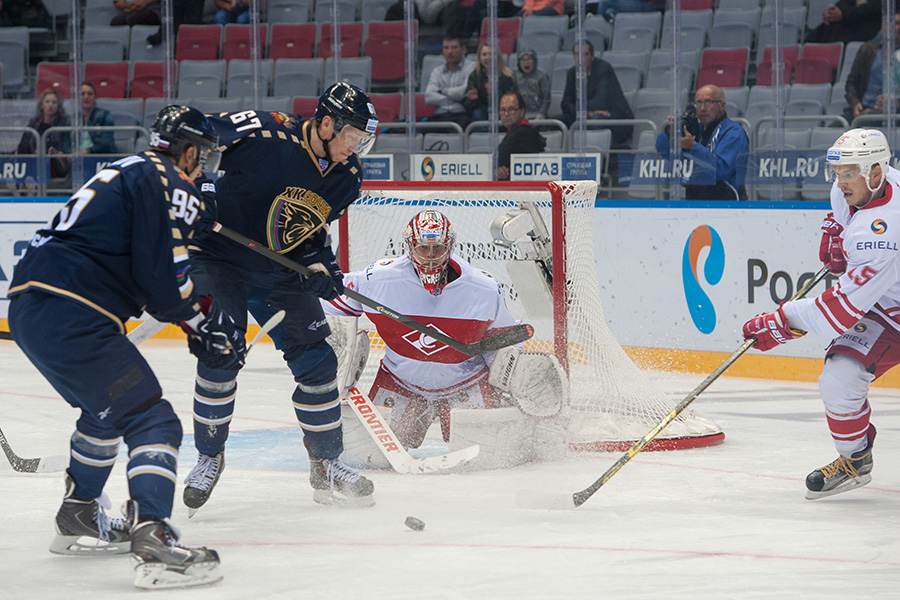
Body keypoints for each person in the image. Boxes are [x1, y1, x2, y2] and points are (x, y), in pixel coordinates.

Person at [6, 105, 242, 589]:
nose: (204, 168)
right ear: (188, 152)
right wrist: (204, 325)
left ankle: (79, 513)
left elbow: (145, 269)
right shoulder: (169, 180)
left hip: (33, 306)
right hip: (73, 310)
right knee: (153, 419)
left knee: (106, 411)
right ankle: (154, 540)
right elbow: (167, 282)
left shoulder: (131, 169)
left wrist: (195, 320)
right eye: (203, 157)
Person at [180, 82, 379, 512]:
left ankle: (326, 464)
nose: (356, 147)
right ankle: (209, 457)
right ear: (327, 124)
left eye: (362, 140)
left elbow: (310, 231)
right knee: (220, 349)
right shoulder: (265, 131)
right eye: (352, 135)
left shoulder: (348, 176)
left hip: (278, 269)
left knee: (318, 363)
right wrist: (199, 190)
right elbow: (193, 136)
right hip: (220, 259)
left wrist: (322, 266)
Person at [322, 210, 567, 468]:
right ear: (409, 246)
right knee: (369, 459)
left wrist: (511, 371)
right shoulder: (379, 280)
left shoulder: (483, 288)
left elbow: (503, 340)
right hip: (400, 380)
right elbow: (330, 303)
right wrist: (337, 347)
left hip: (465, 383)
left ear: (449, 246)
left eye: (437, 248)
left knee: (484, 465)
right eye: (422, 248)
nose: (430, 256)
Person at [741, 128, 895, 501]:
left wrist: (781, 322)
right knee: (840, 377)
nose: (840, 182)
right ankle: (855, 460)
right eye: (837, 173)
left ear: (875, 172)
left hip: (885, 301)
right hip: (888, 309)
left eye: (849, 174)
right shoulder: (866, 184)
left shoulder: (885, 234)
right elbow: (847, 218)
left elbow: (837, 314)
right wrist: (839, 228)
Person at [654, 84, 749, 201]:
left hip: (727, 204)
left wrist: (693, 147)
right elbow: (663, 150)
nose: (702, 108)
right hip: (695, 203)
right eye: (698, 103)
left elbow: (721, 170)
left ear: (722, 106)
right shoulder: (695, 131)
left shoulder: (733, 132)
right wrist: (673, 131)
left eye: (708, 102)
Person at [559, 41, 634, 147]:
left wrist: (582, 110)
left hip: (615, 117)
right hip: (585, 116)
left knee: (596, 119)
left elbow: (600, 103)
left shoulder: (603, 69)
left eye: (584, 54)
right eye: (577, 54)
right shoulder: (572, 73)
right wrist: (587, 113)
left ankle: (597, 153)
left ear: (592, 56)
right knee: (555, 122)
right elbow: (565, 104)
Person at [843, 11, 900, 123]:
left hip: (892, 113)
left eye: (897, 23)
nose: (893, 27)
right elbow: (851, 83)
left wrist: (895, 102)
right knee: (833, 127)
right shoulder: (866, 50)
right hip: (862, 109)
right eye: (889, 22)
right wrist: (855, 103)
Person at [16, 89, 73, 181]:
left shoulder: (64, 123)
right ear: (41, 105)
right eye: (47, 101)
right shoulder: (34, 123)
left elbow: (64, 147)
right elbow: (25, 144)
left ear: (58, 106)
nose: (50, 105)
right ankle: (22, 182)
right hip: (35, 160)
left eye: (54, 102)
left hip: (55, 164)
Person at [424, 34, 476, 128]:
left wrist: (443, 91)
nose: (449, 51)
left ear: (463, 49)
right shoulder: (437, 71)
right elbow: (429, 98)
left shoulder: (471, 67)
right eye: (446, 48)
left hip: (461, 115)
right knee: (422, 130)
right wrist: (456, 98)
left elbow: (463, 91)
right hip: (440, 115)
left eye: (454, 47)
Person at [463, 42, 518, 123]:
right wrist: (471, 100)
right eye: (484, 54)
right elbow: (467, 107)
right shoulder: (474, 76)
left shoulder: (508, 76)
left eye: (491, 54)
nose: (488, 57)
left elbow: (513, 102)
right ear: (479, 58)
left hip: (503, 112)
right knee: (477, 113)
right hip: (481, 113)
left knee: (494, 111)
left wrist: (496, 92)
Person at [497, 91, 546, 180]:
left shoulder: (523, 133)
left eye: (511, 109)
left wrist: (496, 167)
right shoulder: (515, 131)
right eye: (503, 110)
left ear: (522, 111)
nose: (506, 114)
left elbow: (499, 156)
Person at [806, 1, 881, 44]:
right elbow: (843, 3)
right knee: (828, 26)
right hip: (849, 23)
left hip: (868, 28)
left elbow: (871, 9)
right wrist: (831, 12)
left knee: (834, 29)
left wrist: (843, 14)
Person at [80, 82, 118, 155]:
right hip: (77, 157)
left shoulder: (105, 115)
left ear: (95, 98)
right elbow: (67, 143)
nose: (86, 97)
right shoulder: (73, 118)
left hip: (99, 156)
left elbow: (106, 143)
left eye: (90, 94)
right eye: (82, 94)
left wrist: (88, 151)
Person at [514, 49, 551, 120]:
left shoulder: (542, 76)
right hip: (521, 115)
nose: (526, 62)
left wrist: (541, 114)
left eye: (529, 59)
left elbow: (547, 98)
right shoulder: (516, 77)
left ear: (534, 61)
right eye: (523, 60)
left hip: (538, 114)